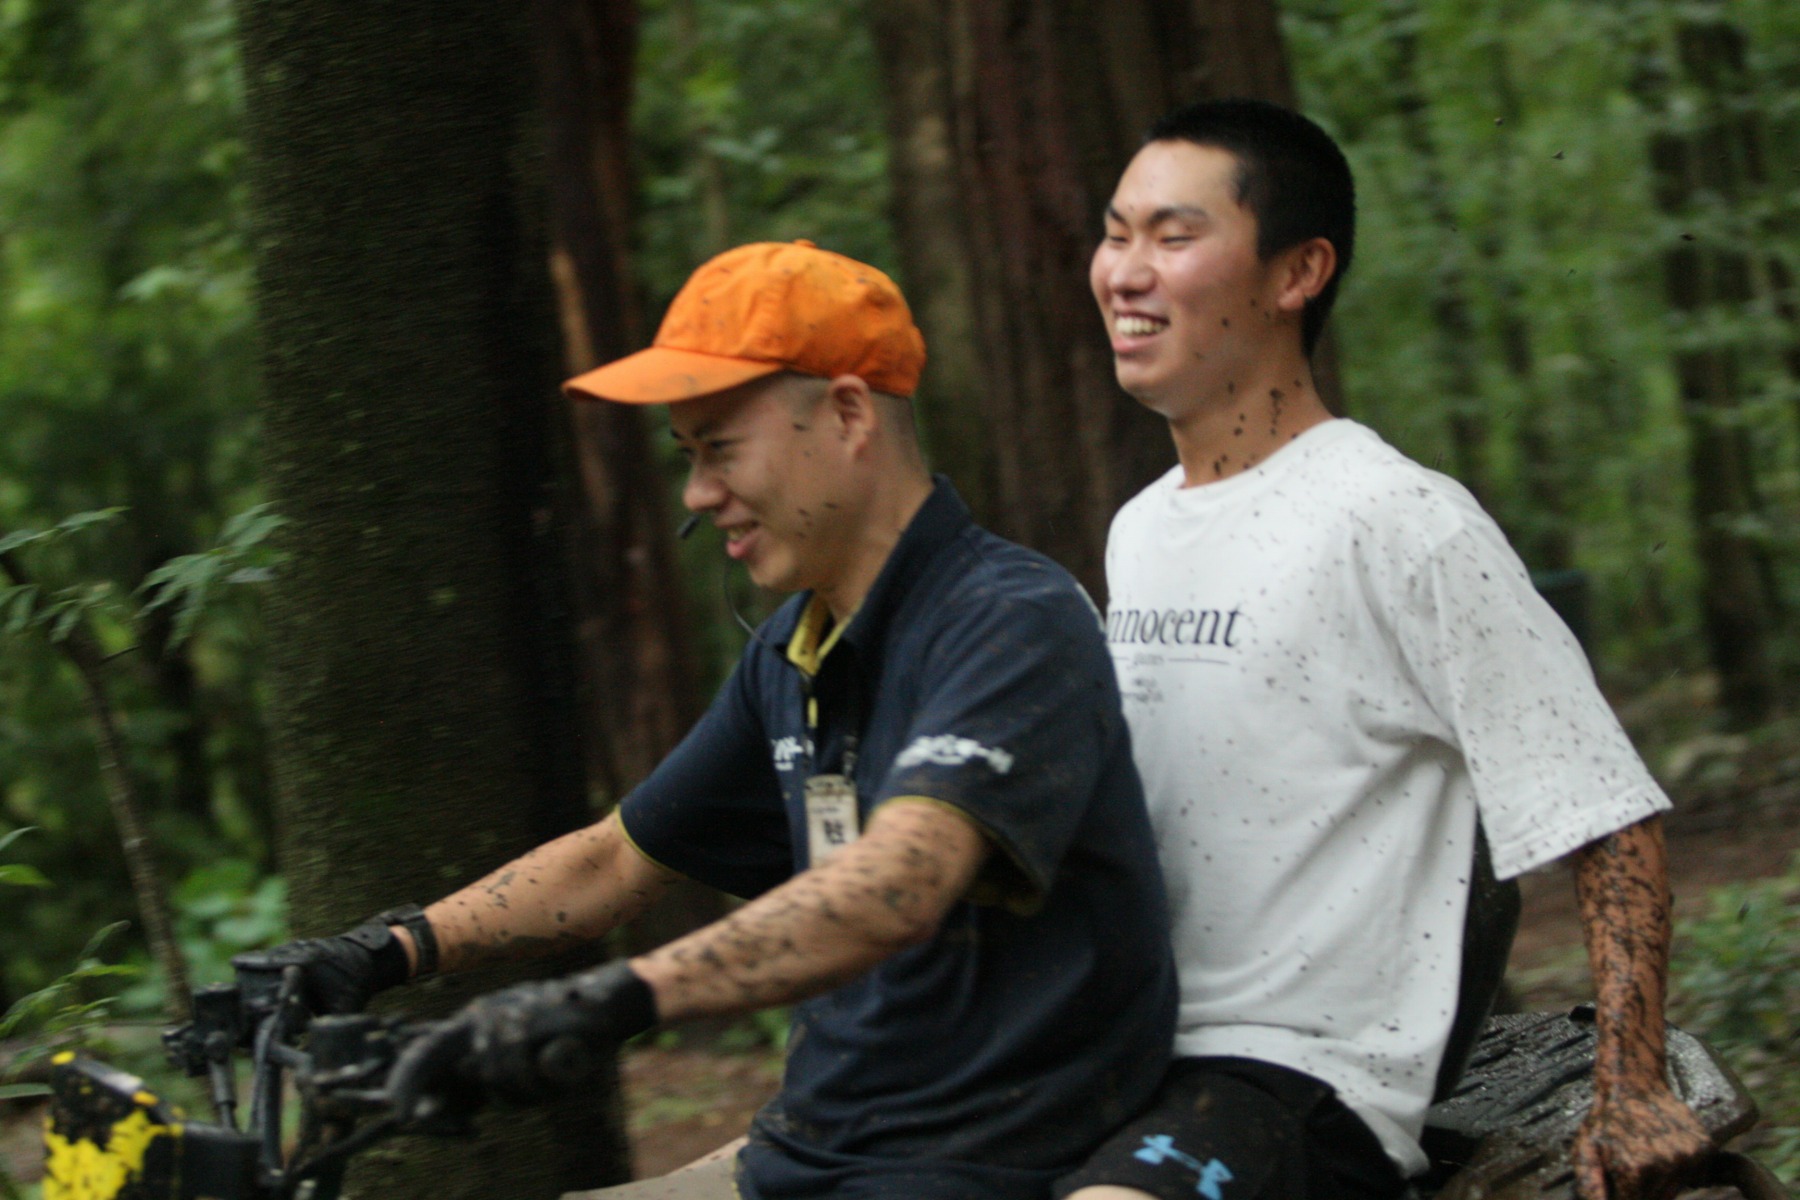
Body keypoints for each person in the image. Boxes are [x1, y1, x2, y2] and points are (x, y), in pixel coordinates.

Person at [254, 239, 1176, 1200]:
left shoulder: (1009, 618)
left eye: (722, 449)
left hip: (970, 1170)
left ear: (850, 414)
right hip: (805, 1158)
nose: (697, 495)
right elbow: (613, 863)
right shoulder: (793, 651)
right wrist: (382, 952)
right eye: (688, 457)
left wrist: (611, 1000)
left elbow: (895, 888)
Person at [1059, 99, 1712, 1200]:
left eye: (1173, 237)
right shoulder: (1141, 529)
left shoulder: (1399, 520)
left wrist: (1632, 1087)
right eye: (1116, 234)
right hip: (1120, 1058)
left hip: (1300, 1086)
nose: (1125, 272)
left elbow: (1608, 817)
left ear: (1297, 272)